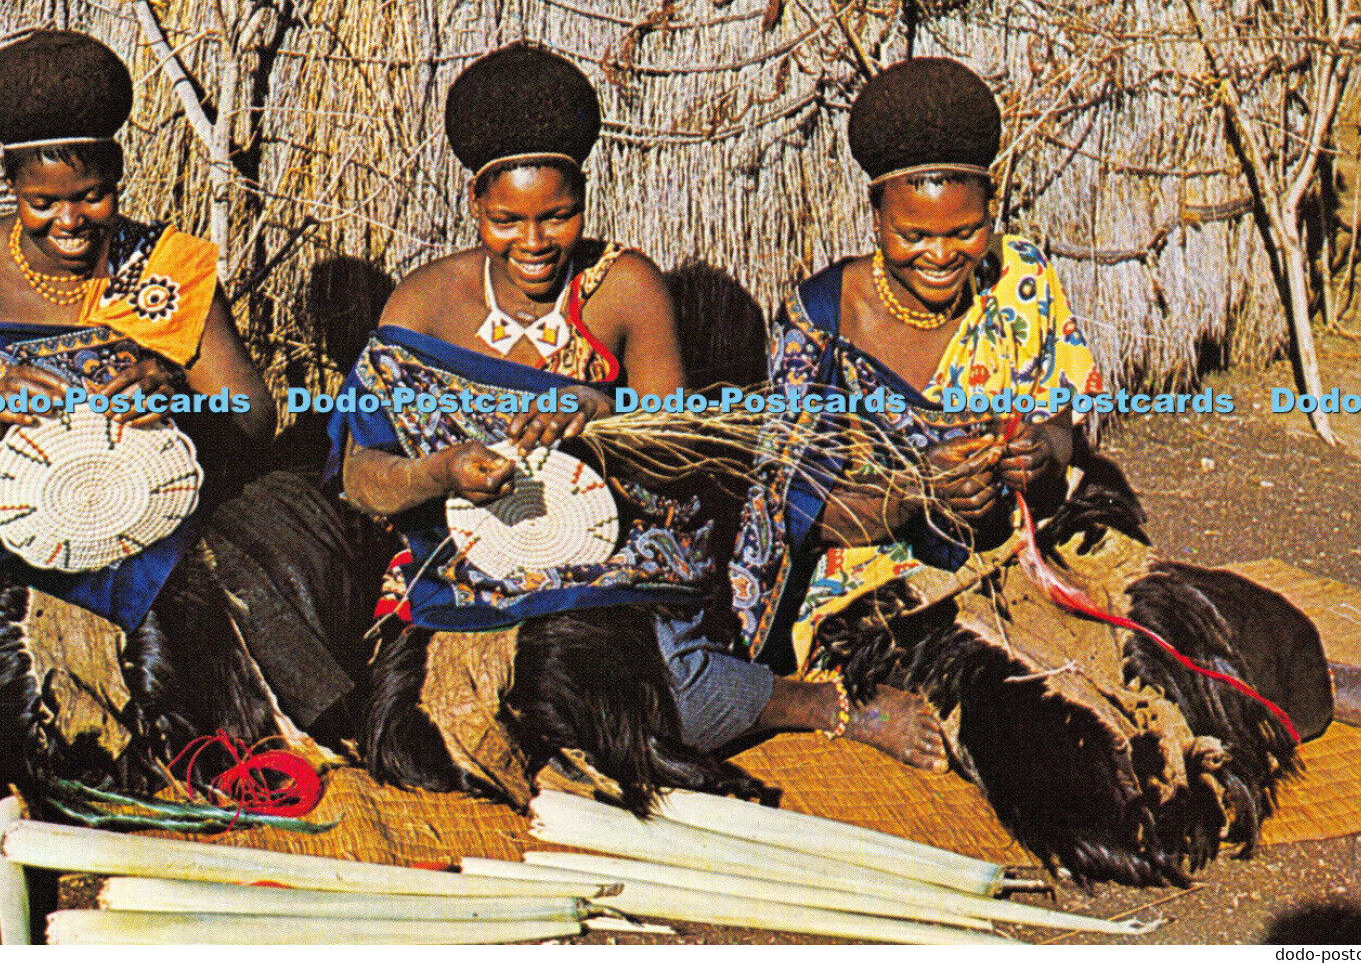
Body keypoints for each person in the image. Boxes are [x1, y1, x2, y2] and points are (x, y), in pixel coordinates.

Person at [729, 57, 1361, 887]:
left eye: (963, 230)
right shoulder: (820, 318)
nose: (939, 255)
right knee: (1046, 744)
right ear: (874, 212)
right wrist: (911, 492)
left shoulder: (1020, 285)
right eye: (912, 234)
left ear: (991, 210)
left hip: (1034, 548)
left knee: (1242, 634)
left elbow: (1067, 422)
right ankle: (884, 716)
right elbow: (793, 511)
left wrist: (1043, 447)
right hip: (887, 585)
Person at [329, 45, 943, 813]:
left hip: (614, 551)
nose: (533, 242)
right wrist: (442, 470)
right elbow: (362, 472)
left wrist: (603, 415)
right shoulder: (421, 306)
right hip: (472, 563)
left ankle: (812, 703)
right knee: (412, 727)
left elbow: (686, 452)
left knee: (653, 699)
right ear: (472, 202)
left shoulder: (623, 288)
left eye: (557, 215)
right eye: (505, 220)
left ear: (584, 197)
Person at [0, 31, 369, 813]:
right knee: (17, 672)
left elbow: (251, 415)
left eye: (90, 194)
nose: (69, 220)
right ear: (9, 182)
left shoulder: (164, 268)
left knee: (214, 618)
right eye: (42, 200)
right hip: (21, 521)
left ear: (117, 176)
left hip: (162, 507)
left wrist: (177, 393)